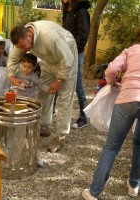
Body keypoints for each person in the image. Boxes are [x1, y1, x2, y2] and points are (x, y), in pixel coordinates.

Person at [82, 29, 140, 200]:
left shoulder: (131, 51)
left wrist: (112, 83)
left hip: (128, 99)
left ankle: (94, 193)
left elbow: (112, 69)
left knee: (112, 147)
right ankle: (134, 185)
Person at [7, 20, 78, 152]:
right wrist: (11, 77)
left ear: (29, 35)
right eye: (20, 47)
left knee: (64, 98)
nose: (23, 50)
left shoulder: (49, 37)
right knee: (42, 93)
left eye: (23, 46)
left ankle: (61, 136)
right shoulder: (22, 39)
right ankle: (44, 126)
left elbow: (68, 61)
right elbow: (13, 59)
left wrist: (59, 81)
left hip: (67, 59)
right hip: (48, 61)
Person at [61, 0, 91, 128]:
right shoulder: (67, 10)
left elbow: (84, 35)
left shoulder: (81, 11)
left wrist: (72, 50)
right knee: (61, 79)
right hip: (66, 51)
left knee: (78, 84)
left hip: (76, 52)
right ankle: (57, 112)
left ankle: (83, 117)